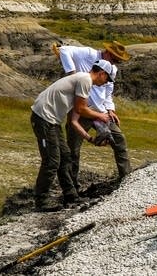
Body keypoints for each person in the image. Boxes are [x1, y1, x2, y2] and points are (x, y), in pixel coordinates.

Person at [31, 60, 115, 212]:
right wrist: (100, 116)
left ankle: (71, 195)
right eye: (107, 79)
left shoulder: (83, 82)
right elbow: (81, 109)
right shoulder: (85, 80)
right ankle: (41, 201)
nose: (106, 83)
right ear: (102, 73)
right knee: (51, 161)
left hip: (52, 121)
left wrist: (90, 139)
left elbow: (74, 121)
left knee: (65, 156)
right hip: (43, 118)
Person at [55, 40, 132, 189]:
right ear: (108, 53)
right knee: (73, 150)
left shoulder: (112, 70)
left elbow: (108, 92)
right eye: (115, 59)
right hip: (80, 109)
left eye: (118, 61)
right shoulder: (88, 54)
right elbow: (63, 50)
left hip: (100, 113)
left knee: (119, 141)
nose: (116, 64)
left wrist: (110, 109)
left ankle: (126, 178)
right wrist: (72, 75)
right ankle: (72, 188)